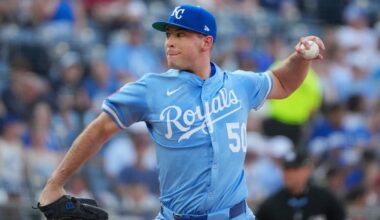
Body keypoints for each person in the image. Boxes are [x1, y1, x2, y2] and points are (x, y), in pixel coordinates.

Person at [38, 4, 325, 220]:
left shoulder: (239, 84)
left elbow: (284, 82)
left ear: (206, 41)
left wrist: (299, 58)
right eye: (168, 35)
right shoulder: (151, 88)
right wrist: (54, 185)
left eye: (180, 34)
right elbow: (99, 129)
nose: (169, 41)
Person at [256, 150, 346, 220]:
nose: (289, 174)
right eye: (286, 169)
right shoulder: (271, 204)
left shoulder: (325, 199)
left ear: (307, 170)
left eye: (295, 169)